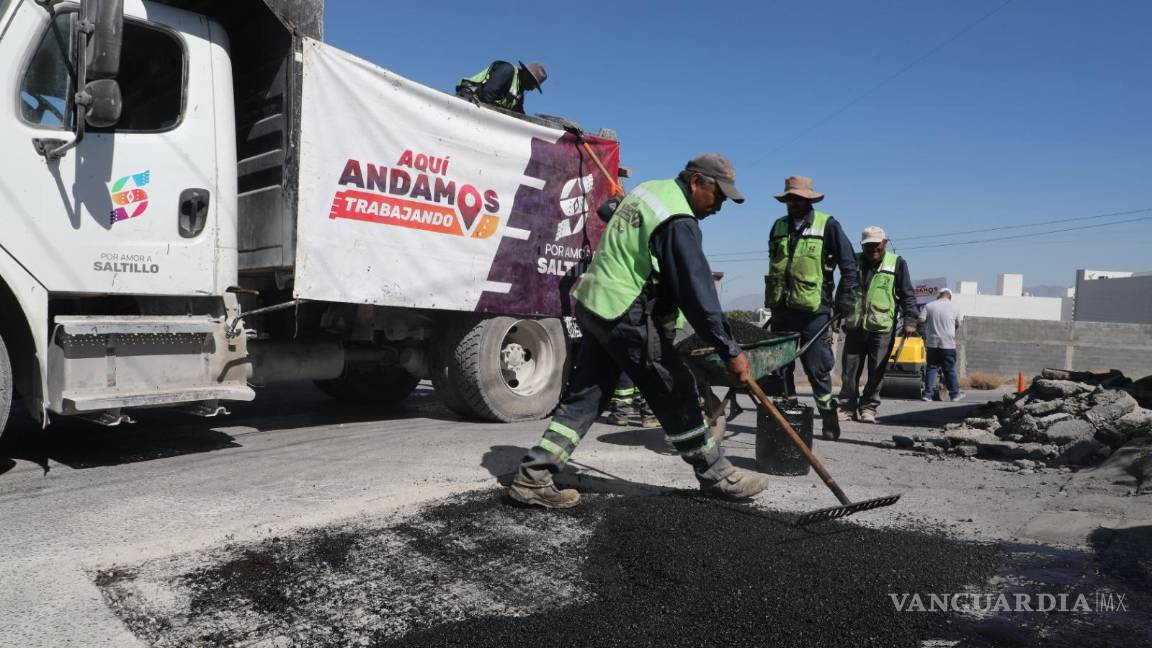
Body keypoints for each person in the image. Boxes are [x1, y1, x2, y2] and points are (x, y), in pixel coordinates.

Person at [508, 154, 769, 508]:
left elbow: (611, 217)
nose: (720, 205)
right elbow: (697, 294)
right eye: (718, 195)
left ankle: (533, 476)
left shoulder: (649, 191)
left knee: (587, 394)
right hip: (624, 313)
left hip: (595, 305)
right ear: (696, 182)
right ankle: (717, 474)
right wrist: (729, 349)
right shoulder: (678, 220)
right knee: (675, 388)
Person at [763, 176, 858, 438]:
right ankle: (788, 420)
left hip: (814, 312)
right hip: (782, 310)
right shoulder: (778, 227)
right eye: (790, 199)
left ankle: (828, 415)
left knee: (817, 367)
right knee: (780, 369)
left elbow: (849, 266)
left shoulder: (828, 225)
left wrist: (845, 300)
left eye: (799, 199)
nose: (793, 203)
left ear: (809, 200)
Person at [837, 227, 919, 423]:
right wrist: (837, 314)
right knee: (849, 370)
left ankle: (868, 407)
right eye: (869, 246)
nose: (873, 249)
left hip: (881, 328)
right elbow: (843, 291)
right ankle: (847, 407)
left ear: (885, 243)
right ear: (862, 245)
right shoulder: (854, 262)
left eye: (877, 245)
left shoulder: (897, 263)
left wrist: (910, 321)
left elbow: (907, 293)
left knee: (877, 371)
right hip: (855, 325)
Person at [920, 288, 964, 402]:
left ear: (939, 295)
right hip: (948, 343)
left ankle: (927, 395)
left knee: (931, 368)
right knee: (949, 369)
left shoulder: (929, 305)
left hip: (932, 343)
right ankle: (954, 395)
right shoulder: (955, 307)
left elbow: (921, 319)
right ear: (949, 296)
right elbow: (958, 323)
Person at [455, 60, 547, 114]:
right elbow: (486, 95)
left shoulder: (519, 93)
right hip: (467, 101)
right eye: (533, 83)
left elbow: (519, 114)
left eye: (535, 86)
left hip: (481, 111)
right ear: (526, 74)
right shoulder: (507, 70)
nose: (532, 88)